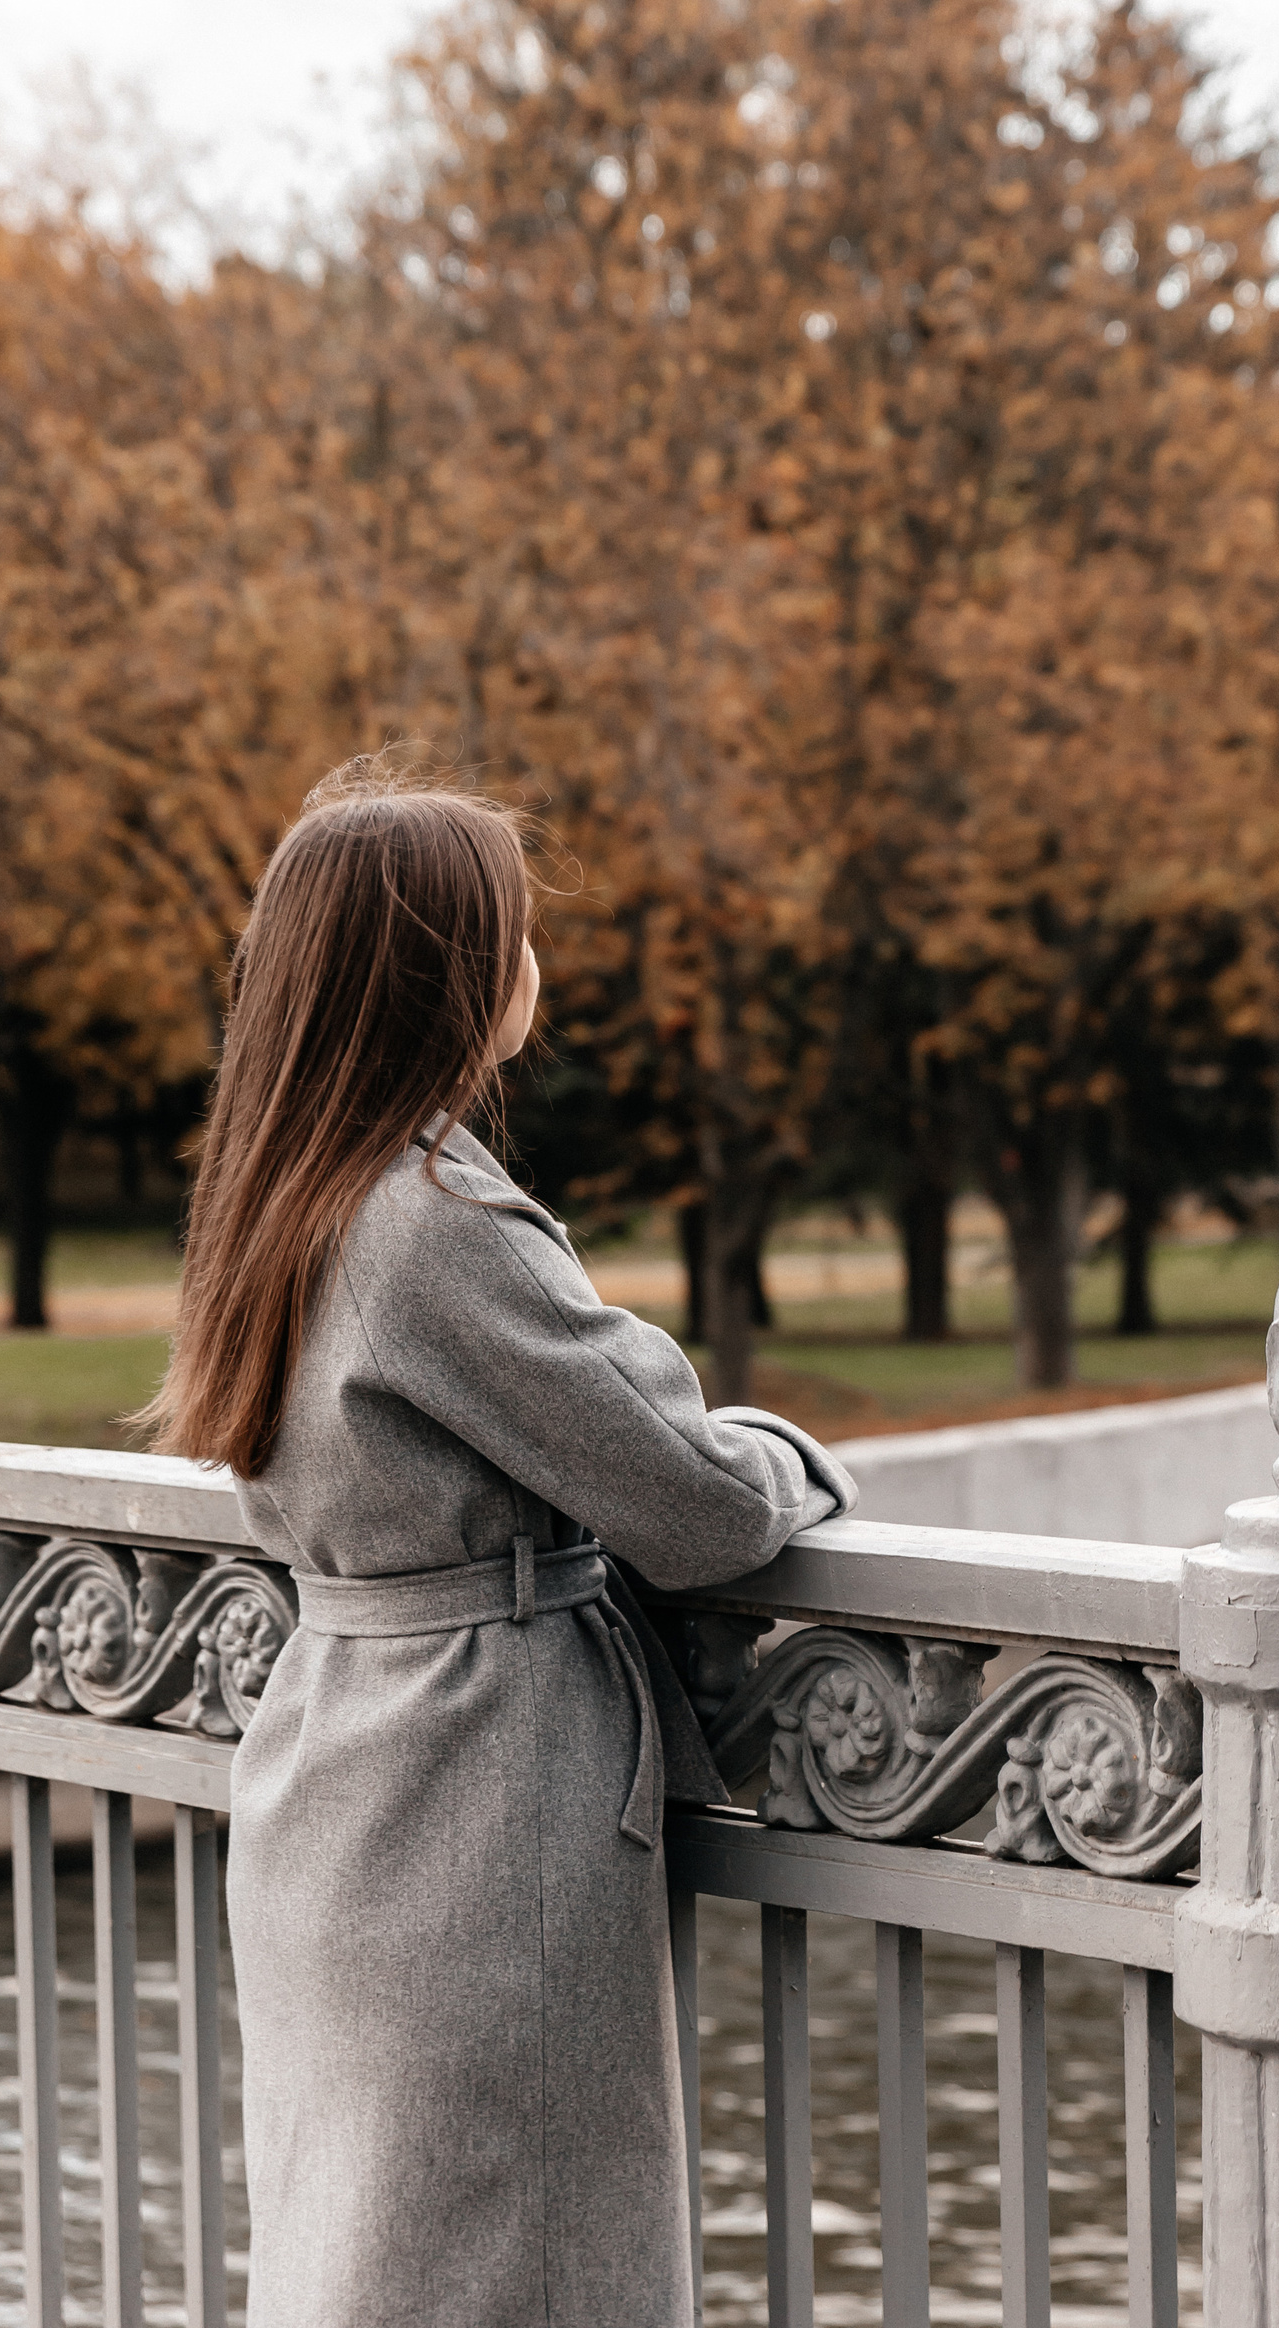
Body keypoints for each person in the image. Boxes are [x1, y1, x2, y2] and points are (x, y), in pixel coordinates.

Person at [150, 759, 854, 2328]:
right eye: (515, 931)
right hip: (473, 1793)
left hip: (336, 1767)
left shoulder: (276, 1200)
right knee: (506, 2258)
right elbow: (699, 1502)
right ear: (451, 975)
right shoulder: (432, 1224)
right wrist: (792, 1454)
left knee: (372, 2250)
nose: (535, 959)